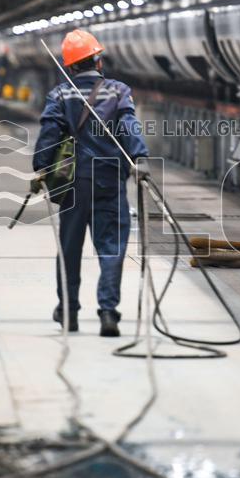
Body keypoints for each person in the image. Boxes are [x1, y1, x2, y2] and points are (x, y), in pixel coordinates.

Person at [32, 29, 149, 337]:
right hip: (109, 181)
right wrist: (140, 159)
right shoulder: (118, 91)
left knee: (69, 248)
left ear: (70, 66)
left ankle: (68, 312)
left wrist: (41, 168)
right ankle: (108, 312)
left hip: (72, 182)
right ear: (98, 61)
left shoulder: (59, 94)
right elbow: (128, 124)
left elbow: (49, 133)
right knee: (111, 247)